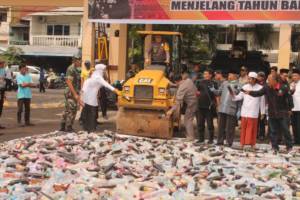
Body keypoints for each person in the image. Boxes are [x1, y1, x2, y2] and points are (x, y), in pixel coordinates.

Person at [245, 74, 293, 153]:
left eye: (269, 80)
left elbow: (289, 98)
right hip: (272, 112)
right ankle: (274, 147)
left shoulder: (283, 87)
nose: (267, 81)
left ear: (275, 81)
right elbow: (258, 93)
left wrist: (290, 109)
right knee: (273, 131)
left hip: (283, 112)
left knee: (285, 130)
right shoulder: (267, 87)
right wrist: (250, 92)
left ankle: (289, 146)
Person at [81, 64, 121, 133]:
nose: (104, 71)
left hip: (89, 96)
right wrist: (116, 91)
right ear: (100, 70)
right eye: (103, 70)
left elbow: (103, 84)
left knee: (89, 113)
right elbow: (106, 84)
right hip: (90, 97)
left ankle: (87, 129)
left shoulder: (95, 76)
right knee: (91, 114)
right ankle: (90, 130)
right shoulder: (98, 77)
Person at [232, 72, 265, 149]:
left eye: (250, 78)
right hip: (245, 111)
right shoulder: (245, 86)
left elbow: (262, 101)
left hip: (254, 112)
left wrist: (263, 112)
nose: (248, 80)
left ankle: (252, 144)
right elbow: (239, 97)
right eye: (248, 78)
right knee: (243, 128)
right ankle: (242, 144)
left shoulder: (260, 88)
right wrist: (233, 96)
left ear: (254, 79)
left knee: (253, 129)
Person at [211, 70, 241, 147]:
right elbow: (219, 92)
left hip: (231, 108)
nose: (229, 76)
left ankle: (229, 142)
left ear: (235, 76)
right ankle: (220, 141)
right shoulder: (224, 83)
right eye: (228, 75)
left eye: (230, 75)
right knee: (220, 126)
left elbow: (239, 98)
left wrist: (239, 110)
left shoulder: (239, 85)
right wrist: (213, 90)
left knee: (230, 127)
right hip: (222, 108)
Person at [167, 74, 198, 141]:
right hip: (196, 100)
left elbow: (178, 103)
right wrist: (174, 85)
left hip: (192, 104)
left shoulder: (181, 89)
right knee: (188, 119)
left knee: (187, 119)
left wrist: (170, 111)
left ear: (176, 81)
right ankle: (189, 134)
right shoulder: (188, 80)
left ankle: (190, 137)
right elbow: (182, 83)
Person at [60, 56, 82, 132]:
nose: (80, 62)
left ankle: (63, 126)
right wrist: (75, 94)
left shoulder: (77, 69)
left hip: (72, 92)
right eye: (80, 61)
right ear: (75, 61)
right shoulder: (71, 69)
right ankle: (68, 127)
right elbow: (69, 82)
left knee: (67, 109)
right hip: (70, 92)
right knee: (72, 109)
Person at [195, 68, 217, 144]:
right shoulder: (199, 82)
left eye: (206, 73)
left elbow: (216, 94)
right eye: (204, 74)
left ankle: (211, 139)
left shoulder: (214, 83)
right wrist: (197, 94)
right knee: (200, 123)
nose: (204, 75)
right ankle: (201, 138)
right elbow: (197, 91)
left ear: (210, 75)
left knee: (210, 124)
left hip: (209, 106)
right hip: (200, 105)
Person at [290, 68, 300, 145]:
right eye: (293, 76)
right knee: (293, 125)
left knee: (298, 125)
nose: (294, 77)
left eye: (296, 76)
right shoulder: (291, 84)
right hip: (292, 108)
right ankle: (296, 140)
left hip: (299, 108)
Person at [257, 72, 267, 140]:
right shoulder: (256, 84)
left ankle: (262, 135)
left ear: (263, 77)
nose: (258, 78)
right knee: (256, 121)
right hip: (257, 105)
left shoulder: (266, 85)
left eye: (259, 76)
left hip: (263, 105)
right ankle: (256, 134)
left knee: (262, 121)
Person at [0, 61, 6, 129]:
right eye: (2, 64)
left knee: (1, 107)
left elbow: (3, 80)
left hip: (2, 89)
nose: (3, 65)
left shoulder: (3, 70)